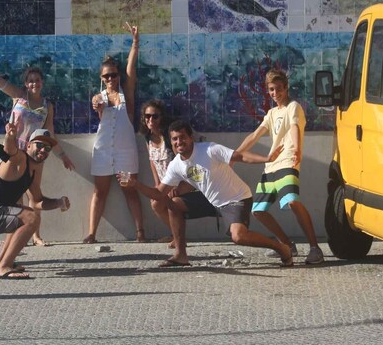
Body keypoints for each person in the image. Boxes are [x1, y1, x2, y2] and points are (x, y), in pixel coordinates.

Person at [121, 120, 294, 268]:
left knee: (239, 236)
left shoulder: (209, 149)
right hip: (210, 200)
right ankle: (181, 255)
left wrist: (267, 159)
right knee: (172, 203)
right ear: (171, 142)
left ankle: (281, 248)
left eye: (182, 137)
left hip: (236, 199)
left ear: (191, 138)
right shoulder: (176, 165)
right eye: (174, 139)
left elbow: (240, 157)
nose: (179, 142)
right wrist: (135, 184)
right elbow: (158, 194)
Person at [0, 38, 74, 246]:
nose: (34, 83)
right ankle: (15, 235)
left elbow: (50, 133)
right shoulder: (18, 97)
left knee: (34, 194)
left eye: (37, 80)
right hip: (13, 151)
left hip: (35, 155)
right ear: (25, 84)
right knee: (13, 194)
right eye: (30, 81)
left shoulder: (48, 106)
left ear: (42, 82)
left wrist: (63, 156)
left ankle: (35, 235)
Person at [236, 69, 324, 265]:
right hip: (270, 167)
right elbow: (254, 135)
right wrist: (235, 155)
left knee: (292, 201)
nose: (275, 94)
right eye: (271, 90)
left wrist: (297, 150)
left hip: (287, 161)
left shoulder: (293, 107)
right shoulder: (271, 113)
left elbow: (294, 127)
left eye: (278, 89)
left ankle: (315, 248)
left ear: (286, 88)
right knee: (258, 210)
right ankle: (286, 244)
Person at [0, 126, 71, 279]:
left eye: (48, 148)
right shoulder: (20, 159)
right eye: (40, 145)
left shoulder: (32, 172)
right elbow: (9, 150)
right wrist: (10, 136)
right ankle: (4, 267)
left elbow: (37, 201)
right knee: (30, 217)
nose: (43, 150)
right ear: (28, 145)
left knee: (24, 215)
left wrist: (58, 203)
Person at [85, 22, 144, 243]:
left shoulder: (126, 93)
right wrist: (97, 105)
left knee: (130, 190)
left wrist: (135, 42)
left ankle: (140, 233)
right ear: (102, 78)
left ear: (118, 75)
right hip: (103, 151)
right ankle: (91, 234)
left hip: (125, 150)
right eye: (107, 76)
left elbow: (132, 67)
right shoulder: (99, 97)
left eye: (113, 75)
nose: (111, 79)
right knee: (100, 192)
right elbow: (96, 105)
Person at [140, 99, 205, 246]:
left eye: (155, 116)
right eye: (147, 116)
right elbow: (152, 161)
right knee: (156, 204)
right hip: (166, 182)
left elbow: (184, 160)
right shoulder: (147, 137)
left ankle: (178, 237)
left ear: (161, 117)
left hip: (182, 181)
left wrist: (177, 185)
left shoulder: (168, 137)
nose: (151, 120)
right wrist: (157, 184)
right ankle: (176, 235)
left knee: (168, 202)